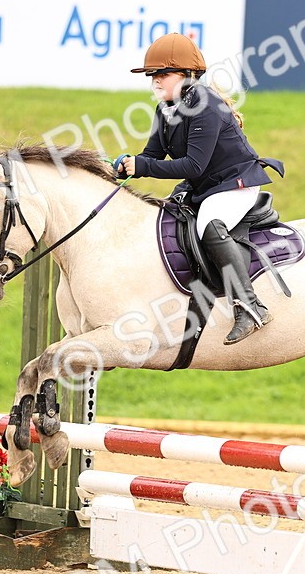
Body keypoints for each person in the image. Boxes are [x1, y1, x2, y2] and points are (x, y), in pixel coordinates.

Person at [117, 33, 284, 346]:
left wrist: (143, 167)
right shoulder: (165, 109)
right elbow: (152, 157)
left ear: (187, 76)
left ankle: (250, 306)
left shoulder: (206, 106)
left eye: (163, 75)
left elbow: (193, 165)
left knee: (209, 224)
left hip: (235, 183)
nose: (155, 82)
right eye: (153, 76)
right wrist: (125, 166)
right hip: (205, 186)